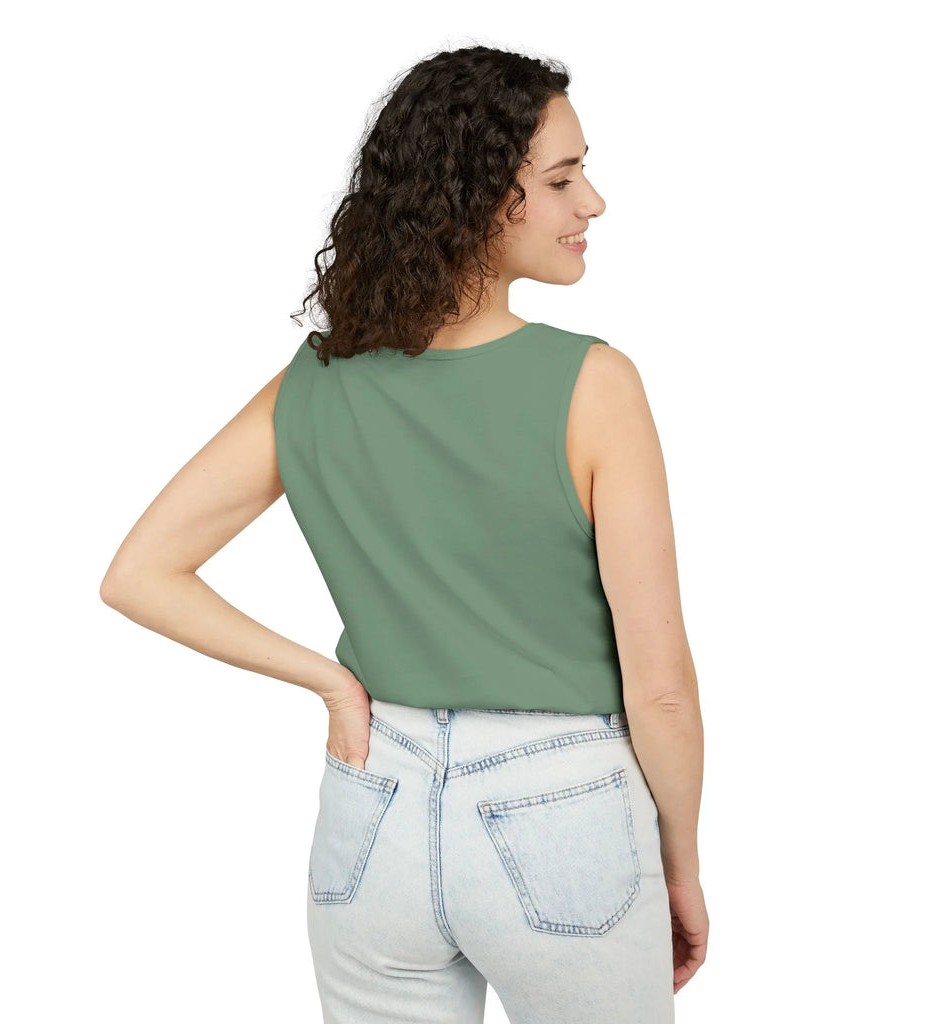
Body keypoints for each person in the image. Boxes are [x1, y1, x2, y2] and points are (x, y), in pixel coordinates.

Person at [101, 44, 707, 1024]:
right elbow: (663, 691)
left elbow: (138, 572)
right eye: (560, 179)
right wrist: (676, 860)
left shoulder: (314, 383)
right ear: (475, 199)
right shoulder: (594, 387)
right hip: (565, 813)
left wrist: (333, 682)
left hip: (370, 806)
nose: (590, 202)